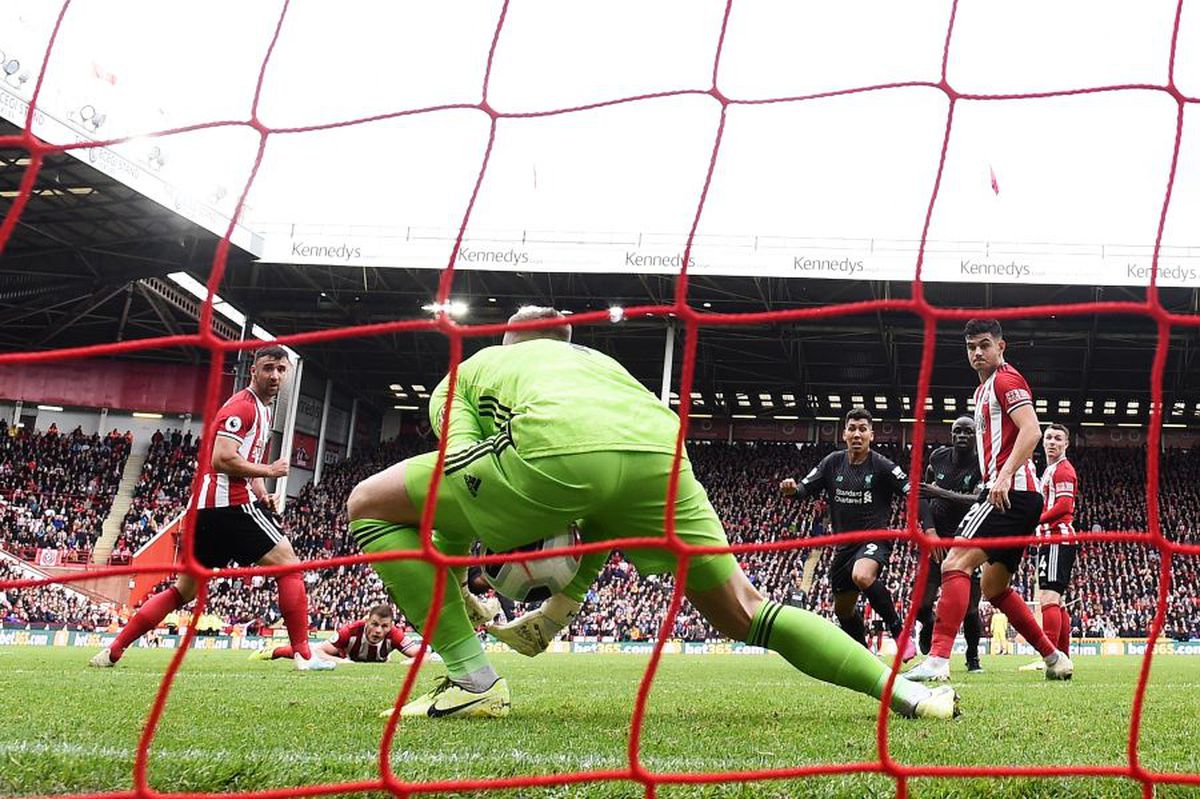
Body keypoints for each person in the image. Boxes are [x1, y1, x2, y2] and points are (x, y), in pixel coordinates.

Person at [347, 307, 958, 720]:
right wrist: (561, 606)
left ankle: (472, 681)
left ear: (508, 341)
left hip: (547, 456)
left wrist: (467, 567)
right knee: (748, 611)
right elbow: (607, 501)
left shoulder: (474, 369)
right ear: (568, 341)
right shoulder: (604, 368)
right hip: (663, 456)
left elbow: (458, 465)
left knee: (369, 505)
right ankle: (908, 695)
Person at [90, 346, 331, 671]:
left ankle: (113, 651)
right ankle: (304, 656)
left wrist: (262, 492)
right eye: (268, 368)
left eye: (280, 370)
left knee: (183, 591)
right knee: (289, 567)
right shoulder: (242, 408)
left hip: (206, 512)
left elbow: (249, 460)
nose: (275, 375)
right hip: (227, 506)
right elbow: (222, 458)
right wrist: (270, 473)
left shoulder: (263, 410)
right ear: (253, 371)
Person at [906, 319, 1072, 682]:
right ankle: (1054, 657)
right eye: (971, 347)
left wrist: (1006, 473)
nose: (977, 352)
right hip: (1015, 495)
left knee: (954, 563)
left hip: (1009, 493)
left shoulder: (1006, 380)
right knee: (994, 588)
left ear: (1001, 347)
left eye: (984, 345)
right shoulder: (982, 390)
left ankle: (936, 659)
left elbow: (1032, 430)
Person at [779, 408, 917, 662]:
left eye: (862, 429)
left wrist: (924, 525)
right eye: (852, 428)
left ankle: (900, 631)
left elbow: (912, 493)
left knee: (862, 575)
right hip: (844, 547)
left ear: (871, 435)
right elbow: (802, 490)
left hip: (874, 538)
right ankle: (864, 657)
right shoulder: (832, 463)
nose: (857, 434)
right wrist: (790, 489)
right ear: (844, 434)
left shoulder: (882, 465)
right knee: (843, 610)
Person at [917, 417, 985, 673]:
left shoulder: (981, 463)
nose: (962, 436)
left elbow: (979, 501)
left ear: (976, 434)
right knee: (922, 605)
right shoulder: (937, 458)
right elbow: (923, 493)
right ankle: (929, 623)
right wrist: (929, 530)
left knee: (970, 609)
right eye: (957, 431)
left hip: (968, 539)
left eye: (968, 431)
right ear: (951, 434)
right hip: (937, 541)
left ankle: (973, 657)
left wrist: (941, 493)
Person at [1020, 423, 1080, 672]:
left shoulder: (1063, 471)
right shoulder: (1050, 470)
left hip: (1057, 538)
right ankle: (1062, 656)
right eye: (1048, 438)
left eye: (1058, 438)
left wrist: (1034, 520)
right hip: (1050, 540)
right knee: (1058, 601)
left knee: (1048, 597)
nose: (1052, 442)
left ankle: (1049, 656)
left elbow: (1065, 506)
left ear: (1066, 444)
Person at [250, 604, 421, 664]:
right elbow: (321, 652)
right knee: (307, 653)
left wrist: (408, 663)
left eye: (384, 626)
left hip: (362, 658)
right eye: (374, 624)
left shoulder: (395, 634)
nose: (378, 630)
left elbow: (421, 655)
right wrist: (341, 662)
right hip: (342, 654)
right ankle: (273, 651)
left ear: (391, 626)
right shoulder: (352, 630)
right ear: (366, 621)